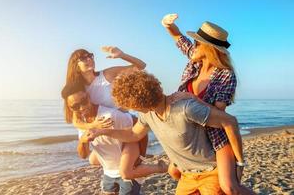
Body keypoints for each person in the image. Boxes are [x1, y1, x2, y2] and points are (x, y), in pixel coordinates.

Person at [87, 70, 254, 195]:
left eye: (130, 104)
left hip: (211, 172)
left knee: (234, 190)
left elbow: (230, 121)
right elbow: (133, 134)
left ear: (138, 102)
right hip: (186, 176)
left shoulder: (186, 108)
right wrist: (103, 131)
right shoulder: (147, 114)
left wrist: (239, 163)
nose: (130, 108)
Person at [162, 14, 253, 194]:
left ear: (210, 48)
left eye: (197, 42)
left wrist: (191, 99)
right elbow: (178, 37)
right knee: (173, 171)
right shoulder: (193, 62)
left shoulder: (226, 75)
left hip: (213, 137)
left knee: (229, 187)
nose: (193, 44)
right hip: (188, 135)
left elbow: (219, 114)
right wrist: (167, 24)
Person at [61, 82, 167, 195]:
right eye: (75, 106)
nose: (82, 108)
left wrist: (140, 155)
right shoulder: (82, 124)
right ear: (70, 107)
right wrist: (82, 141)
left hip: (128, 171)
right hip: (108, 172)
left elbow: (140, 127)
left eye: (83, 101)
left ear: (88, 96)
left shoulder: (110, 115)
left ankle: (160, 167)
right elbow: (83, 155)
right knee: (93, 160)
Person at [64, 46, 150, 176]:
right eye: (83, 58)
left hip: (123, 125)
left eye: (90, 56)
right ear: (75, 65)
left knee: (127, 168)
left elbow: (141, 66)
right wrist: (93, 125)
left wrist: (122, 55)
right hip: (103, 130)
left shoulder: (107, 74)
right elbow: (76, 121)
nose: (89, 59)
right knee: (93, 160)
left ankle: (138, 158)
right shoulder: (78, 90)